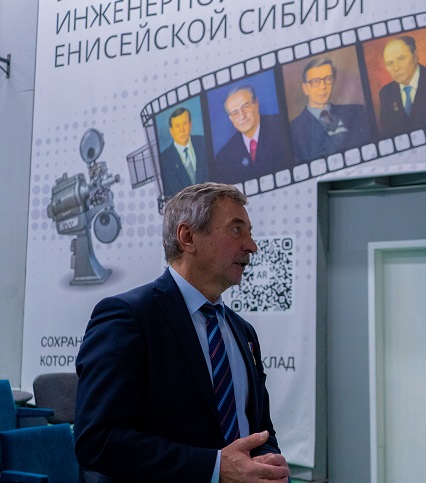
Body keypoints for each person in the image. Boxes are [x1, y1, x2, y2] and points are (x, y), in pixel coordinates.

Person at [74, 182, 290, 482]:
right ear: (187, 237)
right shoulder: (127, 318)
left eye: (249, 232)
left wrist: (268, 462)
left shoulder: (244, 333)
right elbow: (98, 441)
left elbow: (259, 429)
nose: (251, 245)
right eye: (236, 230)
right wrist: (214, 468)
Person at [290, 58, 371, 162]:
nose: (323, 86)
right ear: (305, 88)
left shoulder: (357, 111)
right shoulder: (294, 130)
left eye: (328, 79)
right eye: (315, 81)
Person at [378, 35, 426, 138]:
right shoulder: (386, 93)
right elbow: (387, 134)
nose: (396, 68)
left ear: (415, 56)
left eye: (401, 58)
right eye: (389, 63)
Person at [214, 85, 292, 185]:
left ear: (256, 104)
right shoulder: (224, 157)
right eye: (235, 113)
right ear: (231, 118)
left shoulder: (284, 127)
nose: (242, 116)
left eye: (245, 107)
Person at [159, 107, 209, 197]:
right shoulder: (164, 159)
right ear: (171, 131)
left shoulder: (204, 142)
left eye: (185, 123)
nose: (182, 130)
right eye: (177, 126)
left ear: (190, 124)